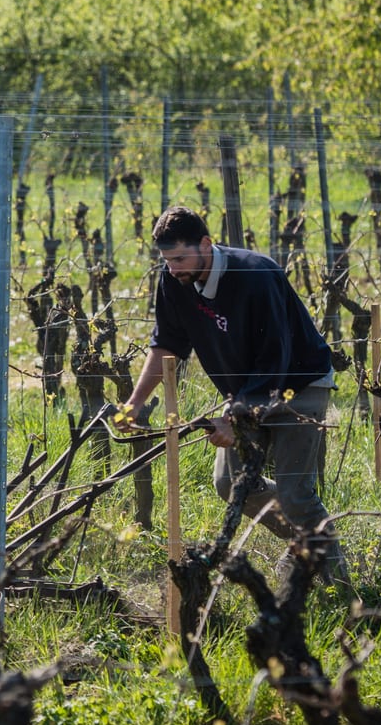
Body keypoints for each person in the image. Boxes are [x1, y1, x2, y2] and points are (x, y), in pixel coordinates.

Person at [123, 205, 350, 586]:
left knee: (295, 492)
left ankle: (340, 586)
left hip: (300, 384)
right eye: (166, 260)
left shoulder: (255, 276)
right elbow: (167, 344)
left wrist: (235, 416)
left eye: (179, 258)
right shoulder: (175, 280)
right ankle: (308, 540)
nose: (173, 269)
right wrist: (135, 402)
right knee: (230, 484)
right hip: (247, 390)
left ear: (205, 244)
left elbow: (275, 358)